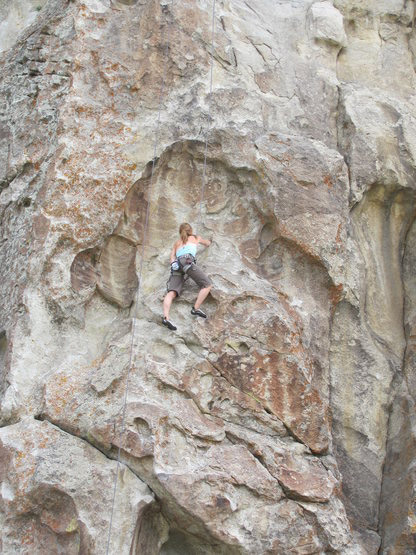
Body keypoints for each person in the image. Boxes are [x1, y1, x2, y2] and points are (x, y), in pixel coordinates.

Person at [162, 223, 212, 330]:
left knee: (171, 292)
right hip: (187, 261)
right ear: (191, 230)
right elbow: (207, 243)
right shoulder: (195, 238)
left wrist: (173, 264)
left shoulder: (177, 243)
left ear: (180, 232)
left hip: (177, 265)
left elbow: (172, 257)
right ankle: (196, 308)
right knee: (207, 284)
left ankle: (166, 317)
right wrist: (210, 241)